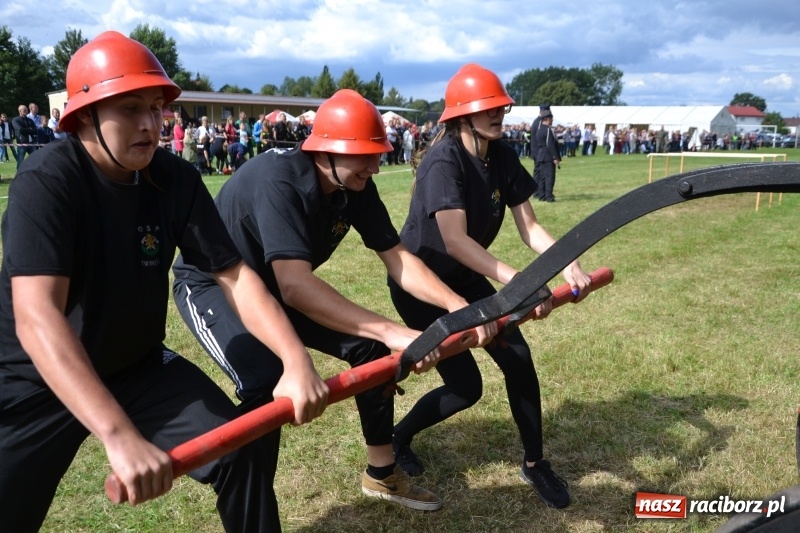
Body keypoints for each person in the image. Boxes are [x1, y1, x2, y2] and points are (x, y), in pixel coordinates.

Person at [0, 31, 328, 533]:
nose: (151, 124)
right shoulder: (47, 182)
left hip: (136, 366)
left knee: (239, 449)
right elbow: (36, 315)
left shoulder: (174, 179)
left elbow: (236, 276)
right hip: (34, 378)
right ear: (84, 114)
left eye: (156, 108)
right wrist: (118, 434)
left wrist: (295, 360)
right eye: (131, 109)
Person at [172, 88, 495, 519]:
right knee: (266, 382)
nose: (376, 164)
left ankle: (381, 472)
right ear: (326, 151)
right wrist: (391, 329)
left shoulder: (356, 185)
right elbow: (295, 287)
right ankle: (255, 517)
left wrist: (459, 306)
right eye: (365, 154)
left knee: (370, 352)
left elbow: (398, 259)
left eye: (378, 152)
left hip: (279, 285)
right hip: (214, 284)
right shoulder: (279, 180)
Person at [388, 64, 592, 510]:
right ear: (462, 116)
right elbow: (455, 241)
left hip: (465, 277)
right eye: (488, 108)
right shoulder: (443, 163)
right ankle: (397, 437)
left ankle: (536, 463)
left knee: (518, 358)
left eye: (500, 105)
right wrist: (520, 281)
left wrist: (564, 262)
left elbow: (530, 226)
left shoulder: (499, 154)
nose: (498, 113)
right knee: (466, 388)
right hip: (421, 285)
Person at [536, 110, 560, 203]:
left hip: (541, 155)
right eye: (551, 119)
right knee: (549, 177)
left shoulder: (539, 130)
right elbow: (550, 144)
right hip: (548, 156)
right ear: (548, 119)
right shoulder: (548, 130)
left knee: (542, 177)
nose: (552, 120)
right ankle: (549, 196)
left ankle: (542, 195)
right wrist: (555, 157)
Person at [12, 104, 38, 171]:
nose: (26, 111)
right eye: (24, 110)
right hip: (22, 143)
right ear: (20, 111)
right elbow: (20, 130)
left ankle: (34, 173)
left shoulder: (30, 120)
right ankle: (19, 175)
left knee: (35, 159)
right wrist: (29, 129)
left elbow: (35, 130)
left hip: (31, 143)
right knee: (20, 161)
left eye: (26, 109)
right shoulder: (15, 120)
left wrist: (26, 129)